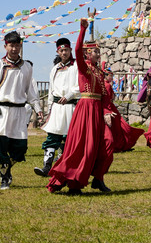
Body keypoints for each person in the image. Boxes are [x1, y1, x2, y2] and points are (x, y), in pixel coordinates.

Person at [47, 19, 113, 195]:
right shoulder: (83, 68)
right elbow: (76, 50)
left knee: (108, 143)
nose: (98, 54)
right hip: (85, 110)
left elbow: (105, 96)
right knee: (84, 147)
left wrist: (106, 112)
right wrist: (82, 30)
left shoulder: (99, 72)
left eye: (99, 52)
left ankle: (98, 178)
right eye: (95, 52)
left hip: (97, 111)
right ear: (87, 54)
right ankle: (74, 183)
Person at [0, 31, 44, 190]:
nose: (14, 49)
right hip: (2, 111)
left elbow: (30, 91)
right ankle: (4, 177)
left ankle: (7, 168)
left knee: (20, 149)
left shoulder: (26, 67)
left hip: (19, 111)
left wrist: (37, 108)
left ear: (21, 46)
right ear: (5, 46)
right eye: (11, 45)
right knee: (0, 146)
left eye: (17, 45)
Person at [35, 37, 79, 177]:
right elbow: (51, 91)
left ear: (70, 50)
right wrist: (49, 109)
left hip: (71, 107)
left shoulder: (77, 66)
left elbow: (81, 85)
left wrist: (70, 95)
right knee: (52, 136)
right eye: (61, 50)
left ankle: (67, 167)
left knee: (69, 138)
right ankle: (46, 167)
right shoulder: (55, 69)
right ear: (58, 52)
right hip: (56, 108)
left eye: (66, 50)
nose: (64, 53)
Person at [102, 65, 145, 153]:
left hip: (106, 107)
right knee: (119, 127)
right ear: (106, 75)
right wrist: (109, 110)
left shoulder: (102, 85)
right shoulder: (107, 86)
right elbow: (108, 99)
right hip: (109, 107)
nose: (112, 77)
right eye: (110, 76)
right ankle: (119, 144)